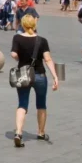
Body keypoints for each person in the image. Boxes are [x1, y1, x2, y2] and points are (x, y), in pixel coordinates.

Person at [10, 13, 60, 147]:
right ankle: (41, 132)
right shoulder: (42, 40)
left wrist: (19, 57)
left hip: (23, 74)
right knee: (41, 105)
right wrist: (55, 76)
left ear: (22, 24)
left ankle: (18, 132)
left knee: (22, 104)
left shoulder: (17, 38)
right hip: (39, 75)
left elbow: (14, 54)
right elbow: (48, 59)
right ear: (34, 24)